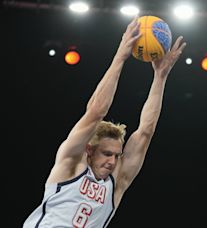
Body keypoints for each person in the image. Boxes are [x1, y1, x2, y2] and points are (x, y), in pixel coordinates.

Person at [23, 16, 186, 228]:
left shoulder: (115, 182)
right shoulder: (71, 165)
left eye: (117, 155)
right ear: (89, 150)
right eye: (107, 153)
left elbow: (145, 131)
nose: (112, 161)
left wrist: (160, 77)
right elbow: (96, 111)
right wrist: (120, 57)